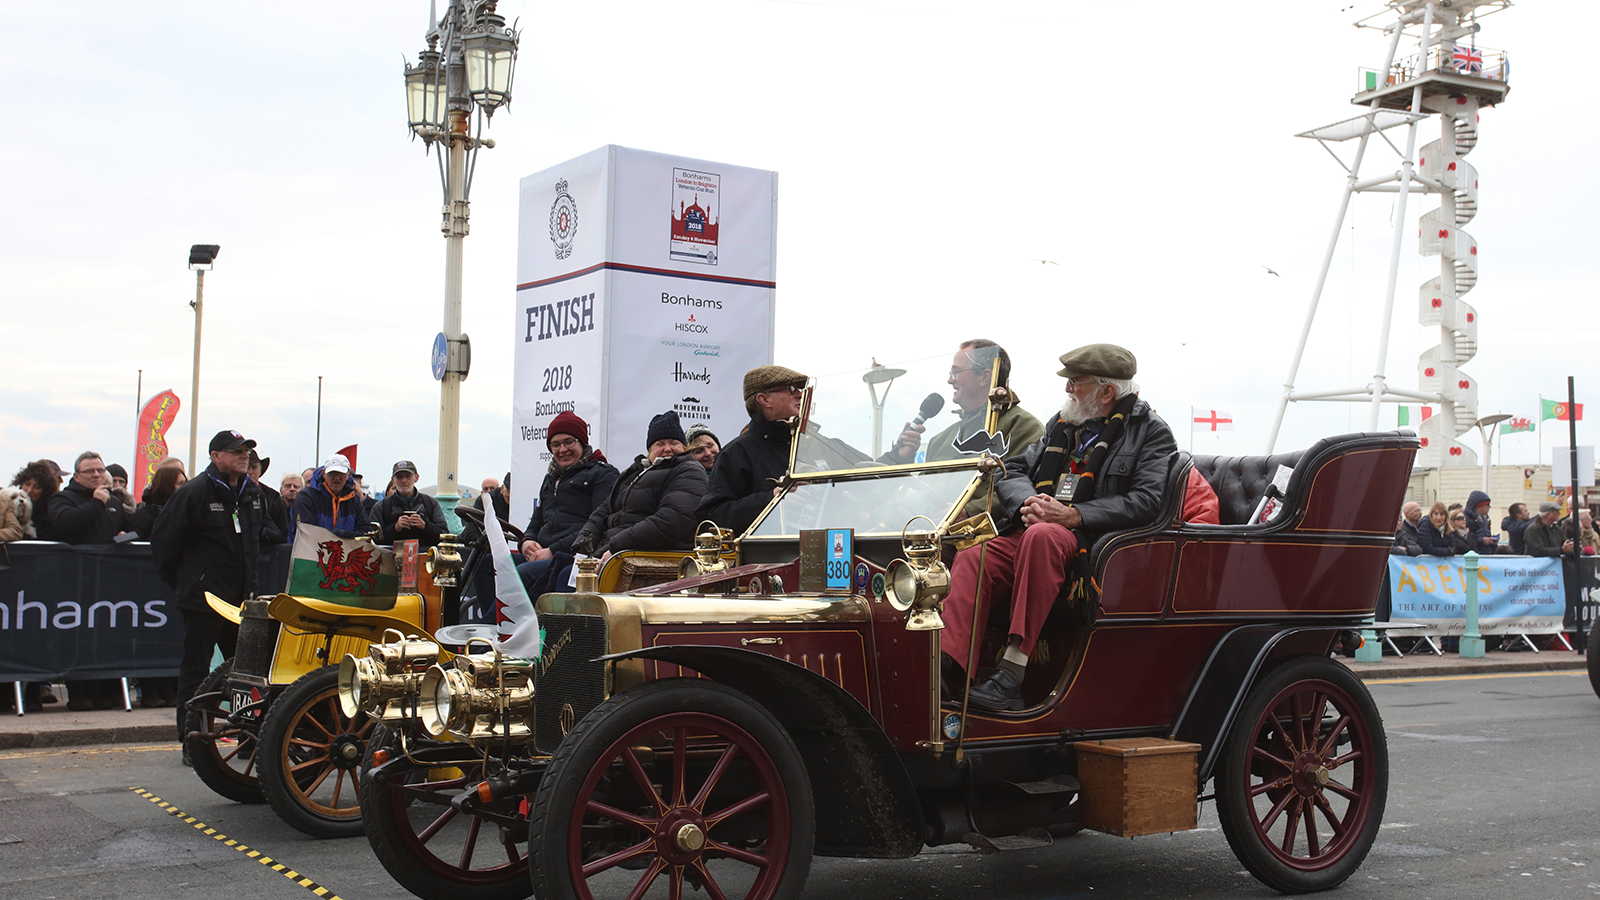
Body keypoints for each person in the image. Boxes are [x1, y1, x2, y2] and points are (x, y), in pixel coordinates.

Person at [940, 344, 1178, 711]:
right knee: (976, 552)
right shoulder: (1063, 424)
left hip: (1087, 538)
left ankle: (1011, 675)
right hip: (1037, 525)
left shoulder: (1151, 432)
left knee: (1042, 535)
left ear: (1107, 391)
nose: (1067, 390)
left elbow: (1146, 502)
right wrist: (1029, 502)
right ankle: (949, 668)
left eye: (1075, 383)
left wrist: (1074, 515)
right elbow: (1014, 469)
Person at [151, 430, 273, 749]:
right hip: (204, 600)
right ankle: (193, 741)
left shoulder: (253, 494)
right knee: (197, 671)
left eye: (247, 450)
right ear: (216, 456)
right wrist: (189, 584)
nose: (244, 455)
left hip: (243, 603)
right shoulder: (193, 493)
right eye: (236, 451)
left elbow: (262, 538)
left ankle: (248, 739)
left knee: (246, 676)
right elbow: (164, 544)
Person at [565, 411, 708, 586]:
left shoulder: (689, 470)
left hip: (643, 554)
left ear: (684, 447)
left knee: (563, 579)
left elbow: (671, 520)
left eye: (674, 443)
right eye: (659, 444)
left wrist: (615, 548)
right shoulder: (633, 472)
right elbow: (601, 513)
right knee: (551, 572)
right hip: (612, 550)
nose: (668, 448)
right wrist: (582, 549)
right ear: (649, 450)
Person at [918, 339, 1045, 519]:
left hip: (982, 537)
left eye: (956, 372)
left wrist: (968, 512)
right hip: (928, 533)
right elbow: (919, 495)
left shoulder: (1024, 428)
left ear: (985, 377)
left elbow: (1025, 490)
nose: (949, 380)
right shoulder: (939, 441)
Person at [696, 366, 809, 535]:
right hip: (768, 557)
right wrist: (772, 498)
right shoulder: (736, 452)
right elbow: (712, 519)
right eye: (792, 389)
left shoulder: (815, 445)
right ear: (764, 400)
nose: (800, 394)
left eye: (802, 389)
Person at [515, 412, 619, 591]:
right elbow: (536, 522)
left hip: (575, 557)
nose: (562, 450)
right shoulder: (551, 478)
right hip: (544, 553)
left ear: (582, 441)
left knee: (522, 573)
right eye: (555, 445)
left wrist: (552, 551)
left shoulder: (603, 474)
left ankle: (500, 620)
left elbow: (598, 526)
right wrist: (526, 542)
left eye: (569, 442)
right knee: (489, 564)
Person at [49, 451, 134, 546]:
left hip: (108, 559)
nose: (96, 475)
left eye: (100, 470)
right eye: (89, 471)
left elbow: (130, 529)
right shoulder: (62, 498)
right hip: (76, 559)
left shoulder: (114, 501)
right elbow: (65, 523)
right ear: (77, 477)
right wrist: (97, 503)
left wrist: (124, 536)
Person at [290, 454, 370, 542]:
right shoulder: (306, 497)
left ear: (348, 475)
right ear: (323, 474)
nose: (336, 478)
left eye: (341, 473)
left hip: (345, 553)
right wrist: (346, 535)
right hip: (309, 553)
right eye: (332, 473)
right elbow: (308, 530)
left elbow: (364, 529)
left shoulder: (354, 500)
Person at [373, 460, 449, 548]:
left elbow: (444, 536)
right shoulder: (382, 507)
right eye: (399, 477)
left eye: (408, 476)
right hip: (390, 559)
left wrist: (424, 526)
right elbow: (374, 540)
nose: (404, 480)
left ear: (416, 478)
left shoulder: (430, 504)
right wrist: (395, 528)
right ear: (393, 480)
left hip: (425, 559)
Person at [131, 465, 187, 540]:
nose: (185, 487)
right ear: (166, 486)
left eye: (186, 483)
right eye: (180, 484)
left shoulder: (189, 513)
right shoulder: (143, 517)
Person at [249, 451, 289, 544]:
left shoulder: (272, 496)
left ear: (260, 470)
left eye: (254, 467)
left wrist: (259, 531)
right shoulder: (232, 494)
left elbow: (283, 533)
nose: (250, 472)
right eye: (247, 467)